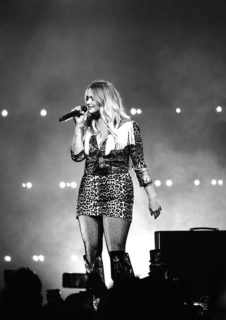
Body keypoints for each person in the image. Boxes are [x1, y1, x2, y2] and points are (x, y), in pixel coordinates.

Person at [70, 80, 162, 307]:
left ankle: (124, 304)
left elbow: (140, 164)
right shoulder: (87, 127)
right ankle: (97, 303)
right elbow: (77, 156)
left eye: (91, 97)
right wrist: (78, 127)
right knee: (91, 253)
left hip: (118, 188)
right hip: (89, 188)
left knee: (116, 252)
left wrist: (152, 196)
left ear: (104, 98)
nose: (87, 102)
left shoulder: (128, 127)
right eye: (86, 98)